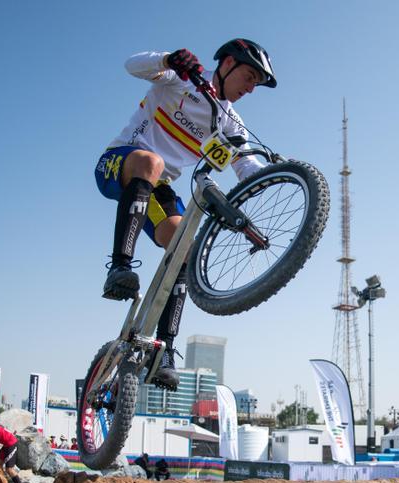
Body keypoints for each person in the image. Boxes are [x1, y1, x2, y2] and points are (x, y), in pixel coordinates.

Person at [94, 39, 277, 392]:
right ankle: (120, 267)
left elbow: (246, 166)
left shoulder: (229, 121)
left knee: (184, 250)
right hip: (120, 163)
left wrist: (277, 174)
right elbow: (132, 64)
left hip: (158, 188)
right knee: (152, 161)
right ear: (226, 63)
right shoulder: (182, 79)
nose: (250, 88)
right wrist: (168, 58)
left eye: (256, 84)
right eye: (249, 77)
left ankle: (165, 351)